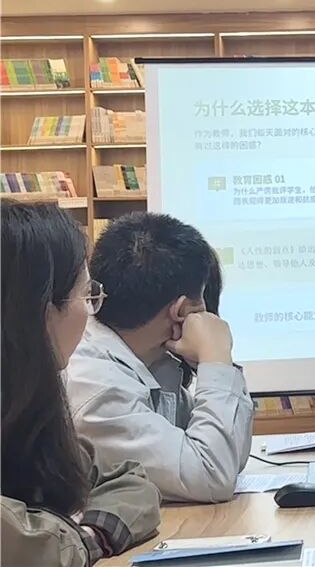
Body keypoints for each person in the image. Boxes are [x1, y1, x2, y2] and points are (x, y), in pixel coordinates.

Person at [1, 201, 160, 566]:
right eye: (87, 296)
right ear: (44, 312)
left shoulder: (25, 404)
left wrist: (91, 534)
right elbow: (26, 548)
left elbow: (129, 482)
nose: (90, 313)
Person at [65, 212, 253, 503]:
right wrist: (216, 358)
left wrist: (215, 365)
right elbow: (212, 476)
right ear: (183, 310)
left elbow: (230, 456)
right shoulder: (98, 389)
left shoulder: (151, 360)